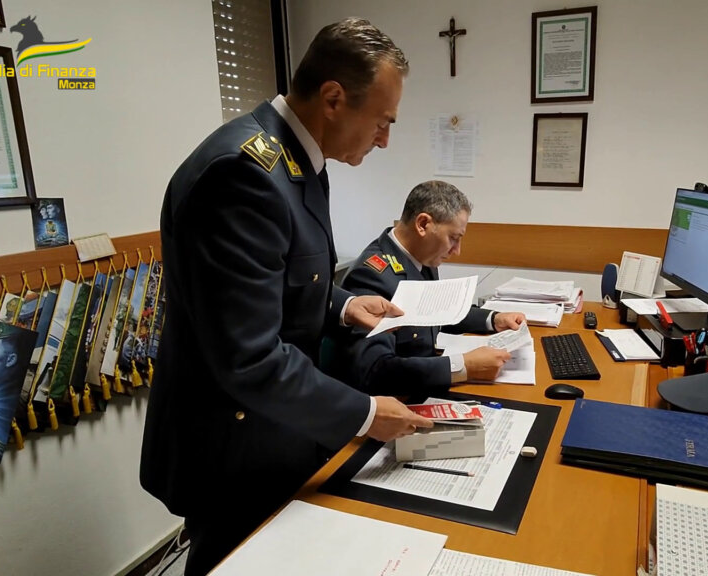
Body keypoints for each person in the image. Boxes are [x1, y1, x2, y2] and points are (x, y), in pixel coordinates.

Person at [139, 18, 432, 576]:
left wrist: (343, 304)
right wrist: (367, 412)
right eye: (382, 121)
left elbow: (281, 281)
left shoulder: (296, 160)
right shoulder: (244, 174)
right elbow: (249, 356)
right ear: (333, 99)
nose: (384, 139)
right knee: (231, 561)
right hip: (231, 446)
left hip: (273, 428)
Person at [336, 180, 525, 395]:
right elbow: (374, 371)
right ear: (423, 224)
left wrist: (493, 319)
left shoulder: (420, 258)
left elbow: (439, 311)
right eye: (453, 238)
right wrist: (464, 366)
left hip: (424, 384)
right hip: (398, 399)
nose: (457, 250)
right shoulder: (373, 276)